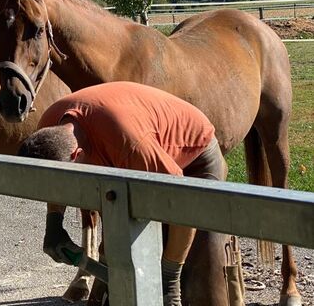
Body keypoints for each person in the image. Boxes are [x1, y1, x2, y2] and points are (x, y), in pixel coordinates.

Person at [18, 81, 227, 306]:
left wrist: (169, 278)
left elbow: (181, 204)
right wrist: (54, 222)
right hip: (135, 159)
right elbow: (52, 179)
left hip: (194, 154)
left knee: (201, 273)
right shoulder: (49, 129)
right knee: (112, 272)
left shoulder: (130, 146)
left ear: (77, 155)